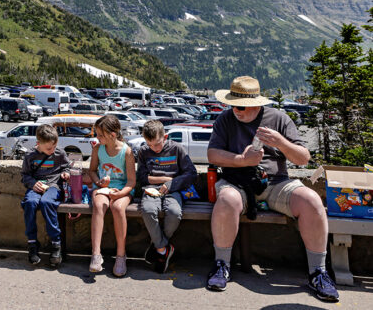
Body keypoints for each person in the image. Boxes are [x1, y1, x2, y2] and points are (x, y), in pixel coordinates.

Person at [205, 76, 338, 302]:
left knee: (312, 200)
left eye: (240, 106)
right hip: (236, 182)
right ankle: (221, 265)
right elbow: (213, 155)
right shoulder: (225, 120)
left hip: (276, 182)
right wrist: (241, 160)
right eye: (233, 104)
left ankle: (318, 272)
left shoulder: (279, 119)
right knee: (227, 199)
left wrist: (280, 143)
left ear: (256, 104)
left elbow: (303, 159)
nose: (236, 110)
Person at [137, 119, 197, 273]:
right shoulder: (144, 151)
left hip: (174, 190)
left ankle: (157, 244)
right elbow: (142, 177)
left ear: (165, 136)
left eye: (157, 144)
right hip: (151, 190)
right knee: (149, 211)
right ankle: (163, 249)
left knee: (174, 213)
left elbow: (191, 173)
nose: (154, 148)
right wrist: (165, 179)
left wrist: (171, 184)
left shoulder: (177, 149)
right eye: (150, 144)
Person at [87, 114, 136, 277]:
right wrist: (99, 182)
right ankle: (96, 254)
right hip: (103, 186)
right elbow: (92, 170)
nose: (97, 137)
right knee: (99, 205)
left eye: (100, 135)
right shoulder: (97, 149)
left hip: (122, 189)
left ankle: (121, 256)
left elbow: (131, 181)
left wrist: (120, 193)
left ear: (112, 135)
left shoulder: (126, 152)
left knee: (117, 207)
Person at [20, 124, 71, 267]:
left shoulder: (59, 154)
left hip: (54, 186)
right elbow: (25, 175)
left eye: (54, 147)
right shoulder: (30, 155)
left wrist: (66, 173)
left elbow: (67, 167)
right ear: (38, 143)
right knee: (29, 203)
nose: (52, 150)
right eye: (49, 148)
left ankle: (56, 243)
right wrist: (32, 183)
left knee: (46, 202)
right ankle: (32, 243)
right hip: (36, 186)